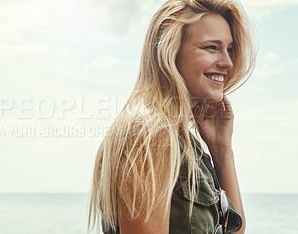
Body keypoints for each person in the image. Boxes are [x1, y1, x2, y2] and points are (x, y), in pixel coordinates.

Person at [89, 0, 255, 233]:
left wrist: (221, 149)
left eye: (229, 49)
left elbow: (234, 231)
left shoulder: (185, 143)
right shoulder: (149, 133)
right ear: (170, 51)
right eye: (211, 47)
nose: (227, 62)